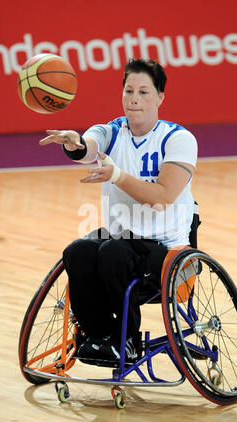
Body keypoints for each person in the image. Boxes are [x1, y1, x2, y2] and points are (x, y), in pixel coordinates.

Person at [39, 58, 198, 364]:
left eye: (143, 92)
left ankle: (128, 340)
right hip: (121, 240)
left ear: (160, 97)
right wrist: (74, 144)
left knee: (113, 252)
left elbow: (163, 197)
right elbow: (89, 146)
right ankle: (98, 336)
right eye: (128, 91)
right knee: (78, 251)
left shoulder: (178, 139)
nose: (134, 99)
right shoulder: (112, 131)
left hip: (166, 250)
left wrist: (117, 176)